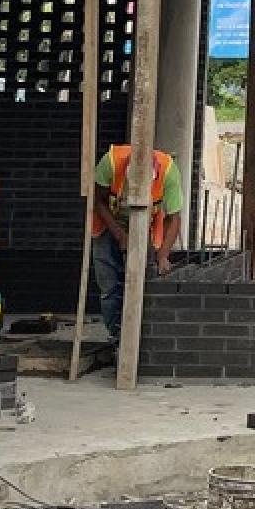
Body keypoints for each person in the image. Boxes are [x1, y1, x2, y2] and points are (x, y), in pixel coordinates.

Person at [90, 143, 183, 353]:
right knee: (109, 287)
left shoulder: (168, 170)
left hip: (146, 226)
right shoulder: (112, 162)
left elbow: (174, 217)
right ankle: (117, 339)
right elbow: (98, 200)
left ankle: (135, 338)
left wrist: (162, 255)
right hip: (107, 224)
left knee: (139, 283)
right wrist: (119, 234)